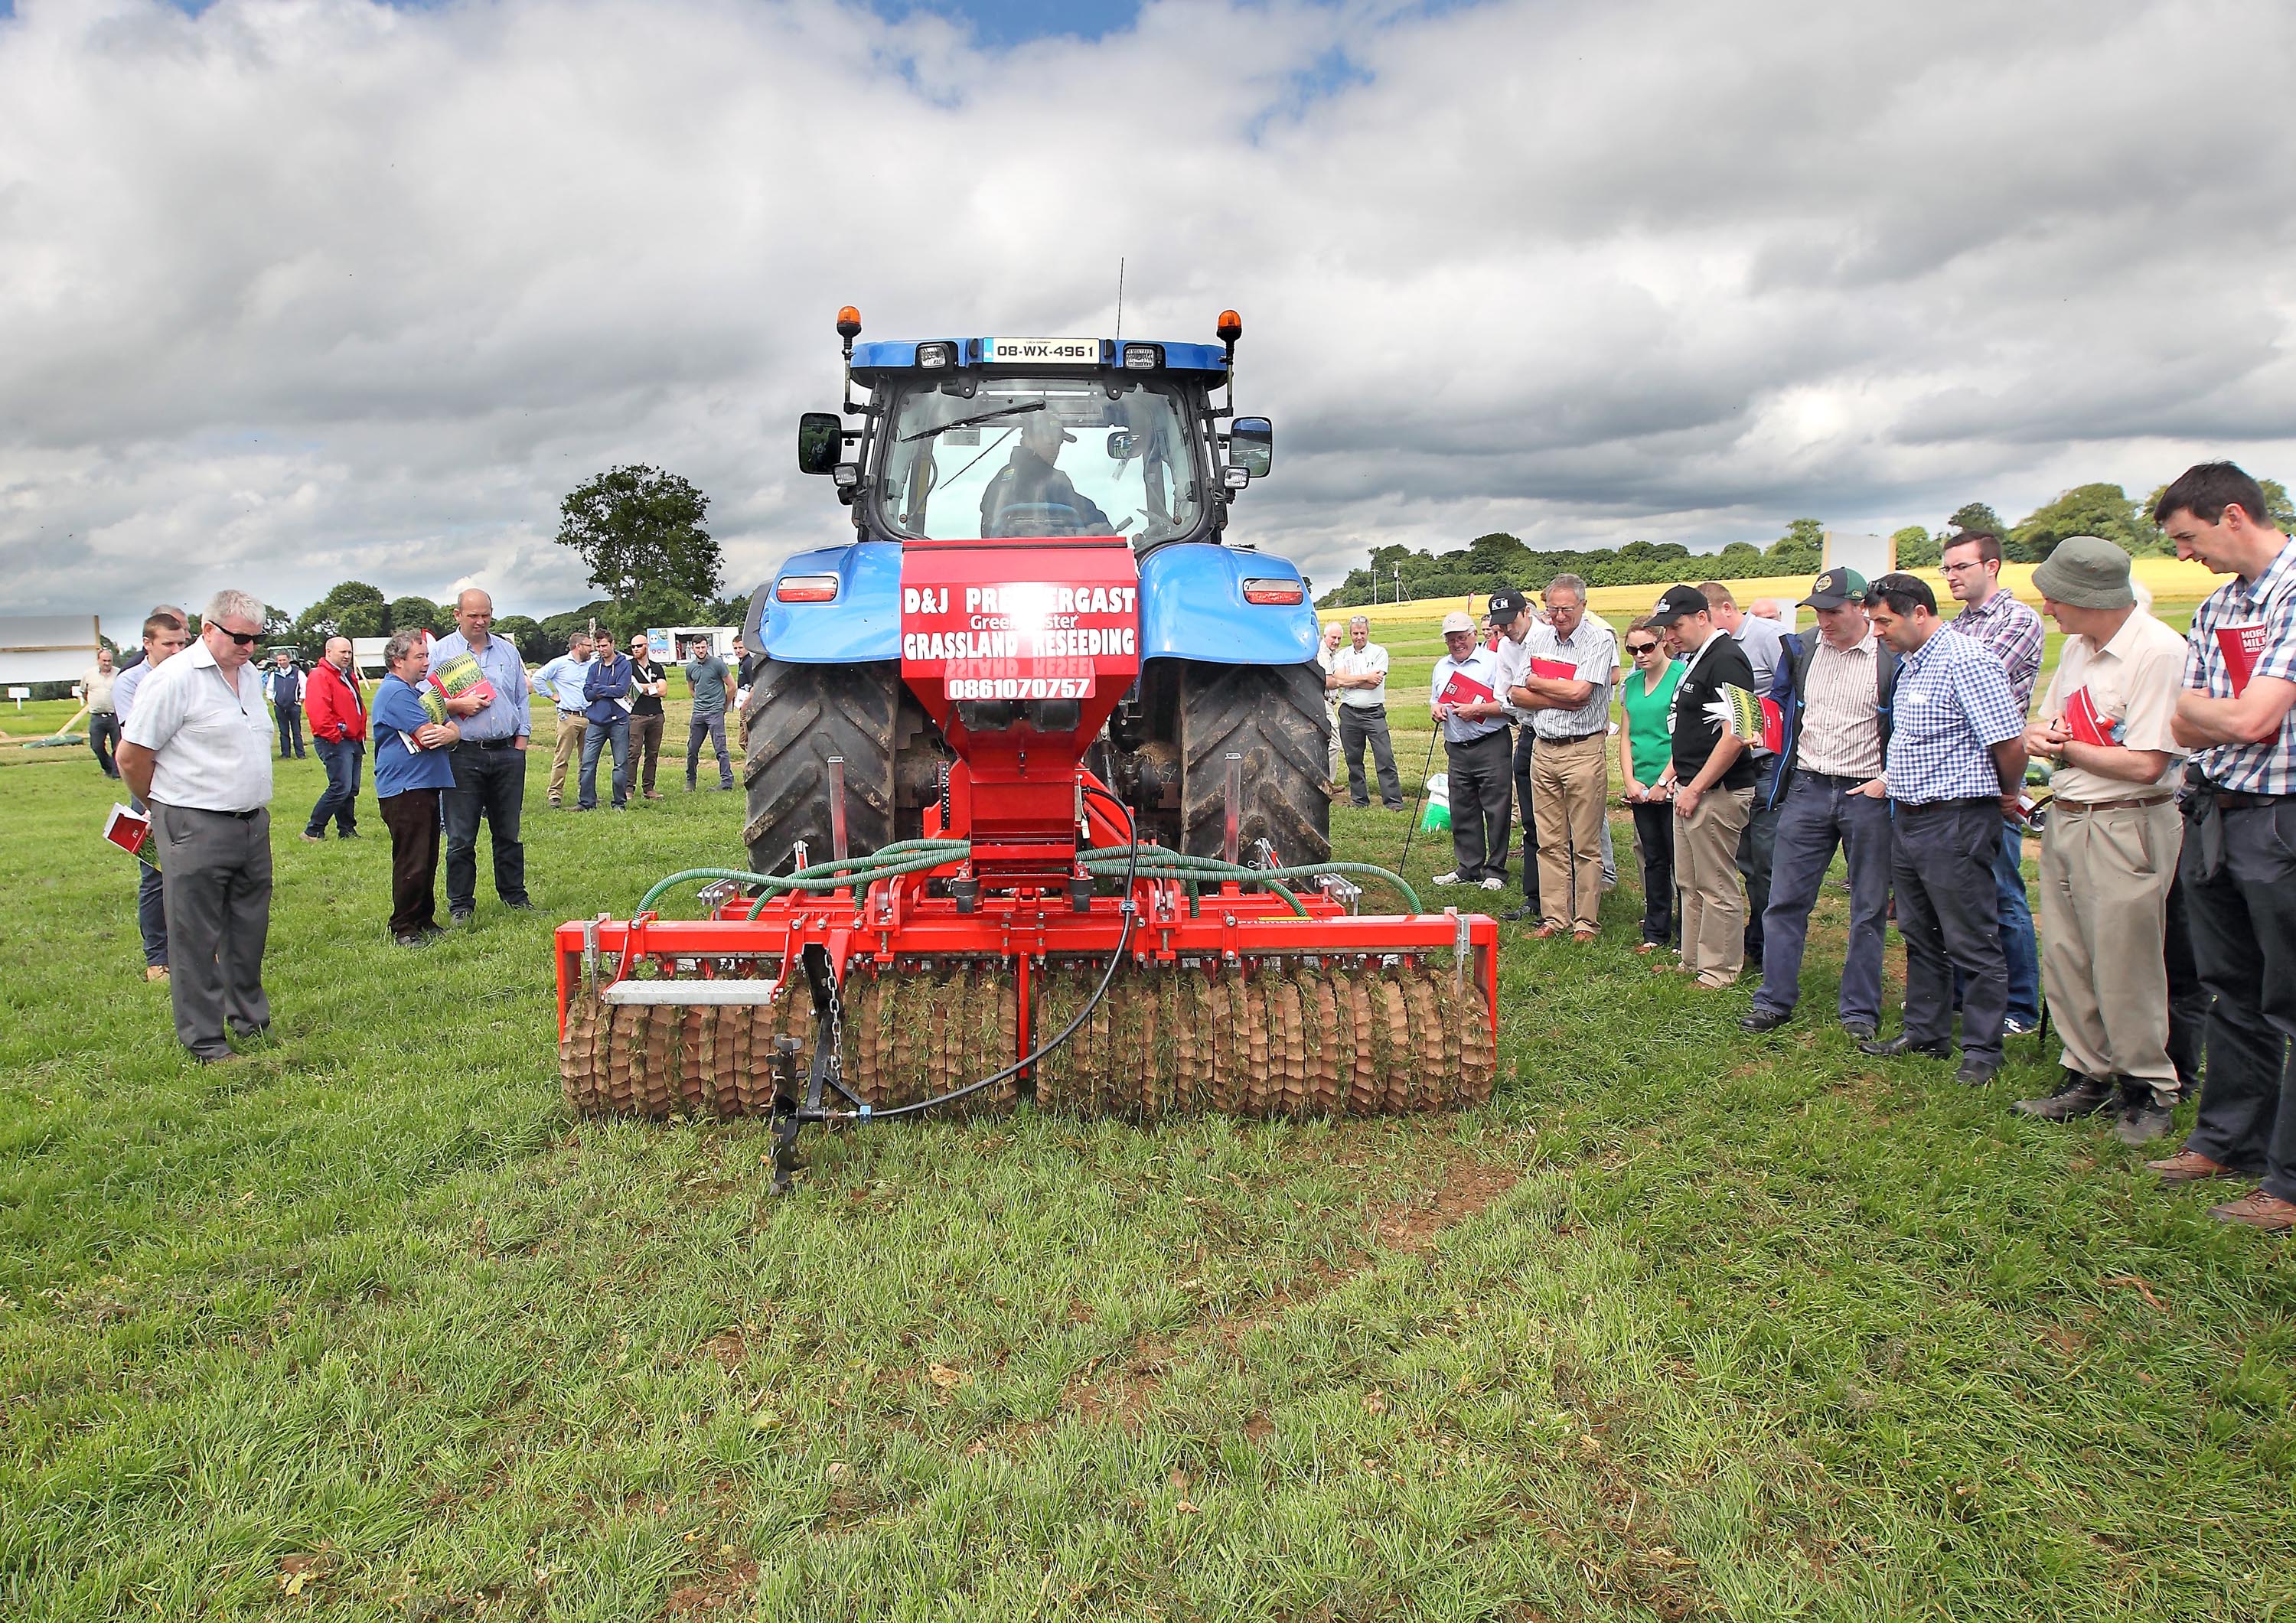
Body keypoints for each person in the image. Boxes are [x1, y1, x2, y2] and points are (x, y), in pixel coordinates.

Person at [2146, 463, 2296, 1230]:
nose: (2186, 555)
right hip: (2216, 810)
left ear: (2232, 514)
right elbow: (2183, 725)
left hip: (2281, 814)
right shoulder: (2217, 608)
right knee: (2234, 988)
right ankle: (2227, 1140)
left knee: (2290, 996)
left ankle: (2290, 1182)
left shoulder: (2295, 592)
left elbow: (2247, 720)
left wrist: (2219, 711)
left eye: (2188, 537)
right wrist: (2221, 711)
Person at [2004, 537, 2188, 1142]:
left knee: (2126, 958)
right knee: (2067, 950)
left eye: (2057, 598)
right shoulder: (2082, 651)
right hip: (2071, 812)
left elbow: (2148, 763)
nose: (2049, 609)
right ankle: (2087, 1070)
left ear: (2091, 597)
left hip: (2127, 818)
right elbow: (2052, 721)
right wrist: (2042, 737)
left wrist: (2064, 747)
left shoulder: (2158, 652)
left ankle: (2148, 1086)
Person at [1857, 573, 2028, 1085]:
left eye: (1884, 621)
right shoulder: (1911, 665)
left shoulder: (1966, 661)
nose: (1877, 632)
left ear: (1920, 613)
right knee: (1920, 931)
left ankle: (1982, 1049)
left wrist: (2007, 793)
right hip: (1909, 819)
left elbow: (2009, 743)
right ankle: (1926, 1032)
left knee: (1971, 937)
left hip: (1955, 819)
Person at [116, 589, 276, 1065]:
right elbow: (131, 756)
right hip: (194, 821)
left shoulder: (249, 677)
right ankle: (205, 1040)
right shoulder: (174, 680)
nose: (248, 647)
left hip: (250, 823)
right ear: (207, 630)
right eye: (239, 637)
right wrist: (165, 808)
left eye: (255, 639)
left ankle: (250, 1020)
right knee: (194, 935)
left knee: (248, 927)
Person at [1740, 568, 1897, 1040]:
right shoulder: (1803, 649)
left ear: (1861, 607)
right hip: (1808, 787)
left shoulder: (1889, 654)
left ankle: (1859, 1012)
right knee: (1786, 899)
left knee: (1867, 907)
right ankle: (1773, 1000)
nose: (1824, 621)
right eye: (1818, 612)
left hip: (1866, 791)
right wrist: (1758, 733)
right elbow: (1780, 705)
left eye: (1834, 611)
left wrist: (1889, 780)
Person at [1942, 530, 2047, 1035]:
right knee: (1962, 894)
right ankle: (1967, 995)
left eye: (1961, 566)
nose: (1952, 576)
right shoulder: (1957, 624)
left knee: (2004, 892)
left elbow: (1968, 688)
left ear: (1993, 566)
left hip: (1995, 772)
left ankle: (2020, 1005)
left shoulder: (2017, 620)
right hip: (1954, 775)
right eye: (1947, 569)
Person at [1645, 585, 1761, 986]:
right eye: (1665, 629)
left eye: (1676, 626)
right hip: (1691, 787)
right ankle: (1693, 959)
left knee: (1716, 884)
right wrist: (1676, 779)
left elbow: (1742, 732)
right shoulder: (1697, 659)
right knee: (1689, 882)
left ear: (1701, 617)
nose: (1670, 636)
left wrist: (1698, 787)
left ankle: (1720, 969)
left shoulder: (1728, 659)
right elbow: (1694, 728)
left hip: (1718, 791)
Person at [1511, 575, 1616, 940]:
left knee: (1585, 843)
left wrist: (1541, 685)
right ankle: (1555, 918)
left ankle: (1586, 922)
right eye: (1552, 608)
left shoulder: (1599, 639)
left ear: (1582, 607)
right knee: (1548, 840)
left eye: (1565, 609)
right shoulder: (1539, 637)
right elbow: (1517, 692)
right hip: (1543, 748)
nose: (1557, 616)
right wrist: (1558, 693)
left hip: (1583, 749)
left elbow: (1583, 692)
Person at [428, 588, 535, 922]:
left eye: (486, 614)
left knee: (509, 832)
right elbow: (424, 702)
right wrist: (455, 706)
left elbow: (521, 699)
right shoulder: (441, 652)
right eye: (473, 615)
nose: (481, 621)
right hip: (462, 754)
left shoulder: (506, 650)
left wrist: (520, 744)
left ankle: (515, 896)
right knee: (461, 836)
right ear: (457, 615)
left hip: (506, 753)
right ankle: (461, 904)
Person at [1701, 583, 1787, 966]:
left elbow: (1789, 695)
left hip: (1765, 764)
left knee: (1765, 860)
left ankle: (1770, 945)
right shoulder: (1709, 652)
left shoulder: (1769, 637)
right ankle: (1749, 936)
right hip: (1731, 766)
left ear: (1720, 610)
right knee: (1743, 857)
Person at [369, 629, 461, 946]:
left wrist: (451, 731)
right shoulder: (395, 693)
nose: (426, 662)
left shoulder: (414, 691)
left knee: (426, 856)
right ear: (398, 660)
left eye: (426, 656)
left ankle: (423, 918)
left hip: (423, 784)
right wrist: (450, 733)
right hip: (406, 788)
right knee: (412, 858)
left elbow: (447, 727)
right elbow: (430, 734)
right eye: (419, 657)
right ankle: (404, 925)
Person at [112, 611, 189, 984]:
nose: (176, 650)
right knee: (155, 874)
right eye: (167, 644)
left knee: (199, 872)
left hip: (192, 787)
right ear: (147, 644)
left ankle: (201, 945)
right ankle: (158, 957)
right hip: (150, 790)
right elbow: (141, 745)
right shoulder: (131, 682)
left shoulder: (193, 675)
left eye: (181, 643)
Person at [1428, 611, 1510, 889]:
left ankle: (1495, 871)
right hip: (1457, 747)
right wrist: (1436, 709)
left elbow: (1510, 706)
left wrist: (1478, 709)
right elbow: (1435, 699)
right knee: (1462, 809)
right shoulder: (1441, 666)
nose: (1457, 643)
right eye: (1451, 639)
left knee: (1496, 809)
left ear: (1474, 635)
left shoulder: (1494, 663)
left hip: (1491, 744)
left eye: (1461, 637)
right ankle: (1469, 868)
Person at [1616, 620, 1684, 953]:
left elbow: (1684, 736)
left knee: (1680, 861)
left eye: (1647, 647)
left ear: (1662, 643)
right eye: (1632, 650)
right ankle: (1656, 931)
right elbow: (1626, 735)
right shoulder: (1631, 684)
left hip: (1672, 782)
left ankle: (1686, 933)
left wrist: (1664, 781)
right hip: (1641, 785)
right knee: (1653, 859)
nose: (1640, 655)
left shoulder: (1681, 677)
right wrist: (1630, 780)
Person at [1486, 588, 1543, 921]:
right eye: (1500, 625)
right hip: (1527, 733)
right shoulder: (1506, 647)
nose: (1506, 630)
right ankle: (1534, 898)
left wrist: (1524, 695)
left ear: (1526, 613)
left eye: (1510, 622)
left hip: (1555, 733)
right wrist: (1525, 695)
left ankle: (1572, 896)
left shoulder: (1547, 638)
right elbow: (1504, 696)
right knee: (1531, 822)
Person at [979, 405, 1114, 536]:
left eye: (1058, 442)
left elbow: (987, 530)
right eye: (1049, 440)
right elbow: (1088, 518)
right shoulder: (1055, 480)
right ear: (1028, 440)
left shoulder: (999, 480)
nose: (1055, 448)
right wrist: (1106, 530)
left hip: (1001, 557)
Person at [1329, 616, 1404, 812]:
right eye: (1355, 633)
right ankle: (1360, 800)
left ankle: (1393, 801)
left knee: (1384, 757)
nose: (1359, 637)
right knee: (1353, 759)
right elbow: (1338, 679)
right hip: (1349, 713)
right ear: (1351, 634)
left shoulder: (1379, 652)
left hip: (1374, 713)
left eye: (1362, 633)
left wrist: (1350, 681)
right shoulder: (1342, 655)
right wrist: (1364, 677)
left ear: (1368, 633)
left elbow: (1374, 684)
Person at [300, 636, 367, 841]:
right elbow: (318, 711)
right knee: (340, 787)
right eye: (342, 652)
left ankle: (347, 830)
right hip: (336, 740)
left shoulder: (346, 675)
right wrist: (335, 735)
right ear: (329, 652)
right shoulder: (321, 676)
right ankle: (313, 830)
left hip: (353, 739)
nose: (347, 656)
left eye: (349, 652)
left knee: (350, 789)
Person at [533, 632, 594, 809]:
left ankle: (587, 794)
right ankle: (555, 795)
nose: (592, 649)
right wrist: (551, 695)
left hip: (590, 716)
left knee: (588, 760)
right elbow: (537, 678)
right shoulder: (559, 664)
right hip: (569, 717)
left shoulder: (591, 664)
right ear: (578, 647)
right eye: (589, 646)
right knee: (562, 758)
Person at [579, 636, 634, 810]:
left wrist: (599, 688)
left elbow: (621, 690)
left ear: (613, 644)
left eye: (604, 645)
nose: (601, 649)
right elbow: (587, 693)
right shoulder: (595, 667)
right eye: (598, 646)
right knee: (588, 763)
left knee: (620, 764)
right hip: (596, 721)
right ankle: (586, 802)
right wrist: (607, 689)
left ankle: (619, 803)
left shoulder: (624, 665)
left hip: (618, 721)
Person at [683, 639, 737, 791]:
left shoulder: (717, 664)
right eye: (697, 647)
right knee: (692, 749)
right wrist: (701, 701)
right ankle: (691, 781)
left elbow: (732, 686)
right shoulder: (690, 668)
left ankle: (726, 782)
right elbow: (692, 690)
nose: (701, 650)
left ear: (707, 647)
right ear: (692, 648)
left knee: (720, 748)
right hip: (698, 713)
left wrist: (724, 705)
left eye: (703, 647)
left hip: (715, 713)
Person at [626, 634, 670, 801]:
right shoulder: (628, 666)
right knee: (633, 753)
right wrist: (653, 687)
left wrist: (643, 688)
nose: (635, 649)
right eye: (633, 647)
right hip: (636, 715)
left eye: (638, 646)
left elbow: (664, 691)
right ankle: (628, 788)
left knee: (653, 753)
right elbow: (630, 690)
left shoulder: (657, 667)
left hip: (656, 715)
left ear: (646, 647)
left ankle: (649, 788)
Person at [259, 647, 307, 760]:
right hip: (280, 707)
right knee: (283, 732)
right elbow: (269, 689)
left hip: (294, 706)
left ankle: (300, 754)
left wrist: (300, 701)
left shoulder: (297, 673)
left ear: (289, 660)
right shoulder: (274, 674)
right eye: (279, 660)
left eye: (284, 660)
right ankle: (285, 754)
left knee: (296, 731)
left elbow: (305, 687)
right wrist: (274, 702)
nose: (282, 662)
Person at [83, 646, 120, 777]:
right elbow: (84, 692)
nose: (107, 664)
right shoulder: (88, 675)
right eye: (104, 661)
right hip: (97, 716)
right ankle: (108, 767)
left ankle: (117, 773)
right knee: (96, 746)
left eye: (109, 661)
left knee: (118, 747)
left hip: (115, 716)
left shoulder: (119, 674)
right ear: (98, 660)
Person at [1317, 621, 1345, 781]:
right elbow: (1329, 681)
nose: (1336, 641)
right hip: (1324, 701)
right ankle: (1328, 783)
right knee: (1335, 744)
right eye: (1333, 637)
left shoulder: (1332, 653)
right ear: (1324, 636)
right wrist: (1350, 681)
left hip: (1329, 702)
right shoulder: (1323, 654)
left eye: (1339, 638)